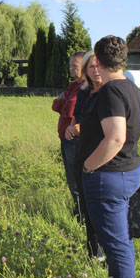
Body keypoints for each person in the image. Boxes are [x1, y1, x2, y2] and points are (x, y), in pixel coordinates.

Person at [80, 36, 140, 278]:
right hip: (127, 171)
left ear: (97, 61)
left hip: (110, 176)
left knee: (116, 243)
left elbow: (115, 138)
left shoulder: (110, 92)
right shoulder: (130, 86)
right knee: (120, 239)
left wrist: (88, 165)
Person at [65, 51, 104, 260]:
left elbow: (108, 128)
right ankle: (93, 252)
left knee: (100, 207)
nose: (95, 70)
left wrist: (81, 127)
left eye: (99, 66)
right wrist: (72, 127)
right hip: (83, 152)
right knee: (87, 205)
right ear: (86, 71)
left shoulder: (108, 92)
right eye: (91, 67)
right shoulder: (84, 91)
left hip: (102, 156)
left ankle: (105, 253)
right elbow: (76, 117)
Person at [52, 52, 86, 210]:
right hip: (65, 137)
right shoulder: (73, 85)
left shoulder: (84, 87)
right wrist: (63, 102)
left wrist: (63, 101)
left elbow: (69, 110)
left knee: (76, 178)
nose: (71, 69)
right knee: (71, 176)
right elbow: (56, 105)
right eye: (70, 65)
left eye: (75, 66)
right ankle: (79, 209)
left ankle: (81, 213)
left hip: (74, 138)